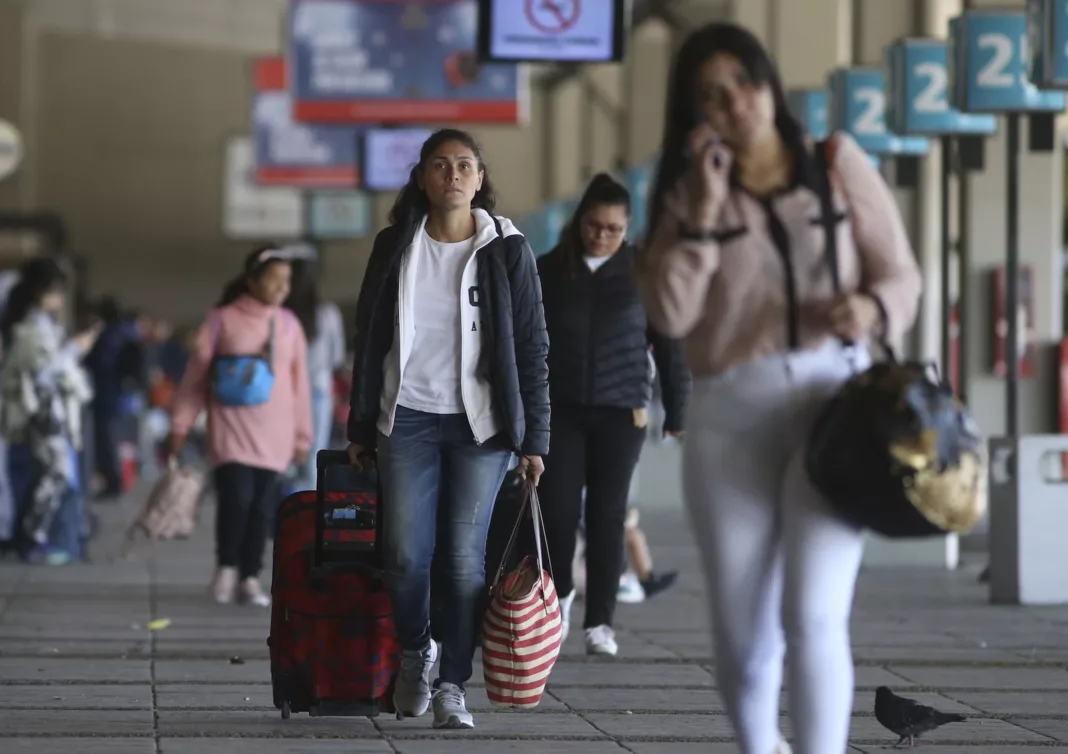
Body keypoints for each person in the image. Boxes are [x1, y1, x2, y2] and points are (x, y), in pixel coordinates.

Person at [636, 22, 922, 754]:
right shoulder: (685, 194)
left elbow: (902, 274)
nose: (734, 101)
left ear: (767, 84)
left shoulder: (834, 162)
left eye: (744, 81)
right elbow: (668, 313)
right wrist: (702, 208)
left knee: (815, 614)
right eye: (711, 94)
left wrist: (872, 308)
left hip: (837, 408)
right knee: (744, 634)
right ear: (696, 115)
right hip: (733, 412)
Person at [345, 128, 549, 730]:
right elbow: (370, 338)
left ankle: (453, 683)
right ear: (423, 178)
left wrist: (534, 439)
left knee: (462, 561)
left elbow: (533, 348)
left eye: (465, 165)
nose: (453, 175)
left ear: (481, 179)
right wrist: (360, 425)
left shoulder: (508, 248)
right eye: (440, 165)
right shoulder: (395, 246)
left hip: (480, 426)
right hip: (404, 415)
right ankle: (416, 653)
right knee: (405, 554)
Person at [535, 173, 689, 656]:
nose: (601, 235)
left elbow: (669, 344)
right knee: (557, 513)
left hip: (622, 413)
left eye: (613, 229)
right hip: (559, 411)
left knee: (608, 516)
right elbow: (526, 344)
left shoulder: (645, 272)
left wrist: (677, 409)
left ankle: (600, 622)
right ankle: (559, 598)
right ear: (579, 221)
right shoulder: (548, 271)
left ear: (628, 228)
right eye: (594, 225)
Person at [168, 246, 312, 608]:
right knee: (236, 499)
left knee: (263, 507)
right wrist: (180, 424)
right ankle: (226, 569)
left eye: (286, 281)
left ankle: (250, 576)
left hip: (276, 432)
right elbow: (195, 378)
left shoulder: (290, 325)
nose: (281, 288)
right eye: (273, 279)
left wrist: (303, 433)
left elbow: (300, 384)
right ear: (252, 280)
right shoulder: (221, 320)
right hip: (231, 427)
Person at [0, 258, 99, 564]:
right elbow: (42, 371)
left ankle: (33, 536)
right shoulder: (30, 326)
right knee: (55, 472)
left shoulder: (39, 323)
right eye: (56, 291)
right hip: (42, 410)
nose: (60, 299)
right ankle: (32, 537)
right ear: (41, 291)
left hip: (47, 408)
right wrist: (75, 349)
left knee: (52, 472)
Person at [283, 257, 347, 489]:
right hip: (318, 391)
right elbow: (337, 357)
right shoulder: (328, 314)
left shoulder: (281, 316)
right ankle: (307, 512)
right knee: (314, 456)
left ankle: (282, 510)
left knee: (284, 456)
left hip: (284, 394)